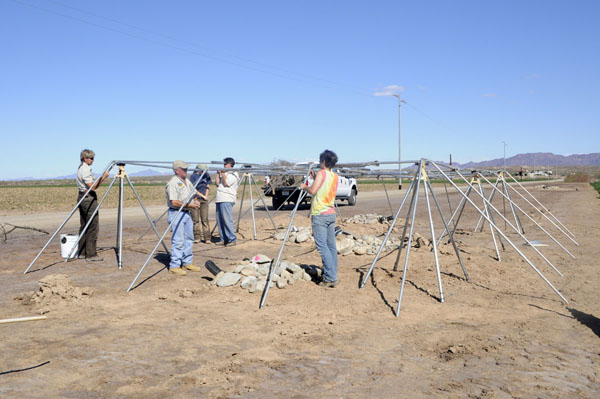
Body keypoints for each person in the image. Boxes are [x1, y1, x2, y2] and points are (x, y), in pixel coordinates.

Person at [300, 150, 339, 287]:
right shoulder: (334, 175)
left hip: (320, 214)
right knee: (331, 246)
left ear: (323, 161)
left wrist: (304, 186)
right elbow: (324, 185)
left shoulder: (322, 174)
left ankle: (330, 278)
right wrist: (315, 176)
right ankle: (332, 273)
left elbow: (313, 191)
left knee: (322, 247)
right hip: (330, 213)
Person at [165, 160, 202, 276]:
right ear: (177, 170)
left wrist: (195, 200)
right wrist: (190, 205)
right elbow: (174, 202)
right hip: (177, 213)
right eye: (184, 169)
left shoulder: (187, 181)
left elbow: (194, 192)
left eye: (187, 169)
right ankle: (174, 265)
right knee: (178, 240)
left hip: (186, 213)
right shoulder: (173, 183)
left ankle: (187, 262)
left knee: (189, 239)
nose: (186, 171)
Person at [76, 149, 110, 262]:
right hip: (88, 198)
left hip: (83, 197)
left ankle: (81, 252)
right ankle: (91, 254)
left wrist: (100, 177)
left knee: (84, 225)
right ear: (85, 158)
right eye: (91, 158)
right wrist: (104, 178)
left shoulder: (83, 168)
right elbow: (92, 187)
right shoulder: (84, 170)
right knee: (92, 226)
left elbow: (92, 182)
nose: (93, 160)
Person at [215, 157, 240, 246]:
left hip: (227, 198)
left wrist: (223, 174)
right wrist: (218, 174)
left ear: (230, 164)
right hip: (220, 198)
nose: (224, 165)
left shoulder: (233, 174)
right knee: (220, 220)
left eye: (225, 164)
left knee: (226, 219)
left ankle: (232, 239)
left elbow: (226, 183)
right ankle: (223, 239)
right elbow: (217, 184)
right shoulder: (224, 173)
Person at [189, 164, 212, 243]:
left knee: (204, 219)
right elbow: (192, 189)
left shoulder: (206, 175)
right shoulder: (193, 176)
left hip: (204, 200)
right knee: (195, 220)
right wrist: (195, 199)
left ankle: (207, 238)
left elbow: (208, 186)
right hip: (196, 199)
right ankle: (197, 237)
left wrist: (205, 196)